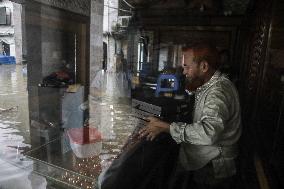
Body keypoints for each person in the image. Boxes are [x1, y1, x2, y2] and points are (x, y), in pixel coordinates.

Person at [139, 43, 242, 189]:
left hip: (213, 167)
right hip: (206, 161)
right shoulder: (211, 84)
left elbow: (208, 133)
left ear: (204, 67)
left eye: (187, 66)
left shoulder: (218, 93)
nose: (184, 72)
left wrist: (165, 127)